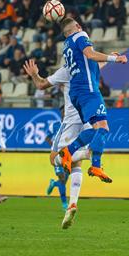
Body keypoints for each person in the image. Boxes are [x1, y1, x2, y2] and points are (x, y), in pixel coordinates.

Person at [23, 59, 92, 229]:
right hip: (89, 119)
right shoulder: (91, 67)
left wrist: (34, 74)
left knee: (53, 159)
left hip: (71, 121)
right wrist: (111, 58)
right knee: (76, 165)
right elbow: (100, 63)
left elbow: (40, 85)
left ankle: (84, 154)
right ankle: (72, 204)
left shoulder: (66, 70)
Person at [58, 17, 127, 185]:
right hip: (88, 91)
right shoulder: (80, 35)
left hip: (76, 93)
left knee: (96, 129)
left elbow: (88, 64)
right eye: (77, 24)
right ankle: (94, 164)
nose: (80, 26)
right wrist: (114, 59)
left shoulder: (67, 45)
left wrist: (108, 57)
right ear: (75, 28)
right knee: (103, 128)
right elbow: (90, 54)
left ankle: (70, 153)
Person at [45, 106, 69, 211]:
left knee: (63, 181)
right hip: (57, 156)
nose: (65, 113)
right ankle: (64, 204)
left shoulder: (74, 125)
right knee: (62, 178)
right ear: (61, 113)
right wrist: (54, 147)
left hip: (68, 156)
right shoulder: (54, 125)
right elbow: (47, 137)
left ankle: (54, 183)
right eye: (63, 111)